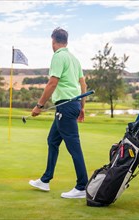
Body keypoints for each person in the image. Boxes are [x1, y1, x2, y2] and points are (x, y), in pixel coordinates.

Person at [29, 27, 88, 199]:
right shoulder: (74, 59)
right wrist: (82, 107)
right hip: (73, 104)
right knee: (52, 141)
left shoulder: (58, 56)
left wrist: (39, 105)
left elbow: (52, 83)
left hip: (66, 106)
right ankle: (45, 180)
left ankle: (82, 186)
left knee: (73, 146)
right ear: (66, 41)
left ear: (53, 41)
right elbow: (83, 86)